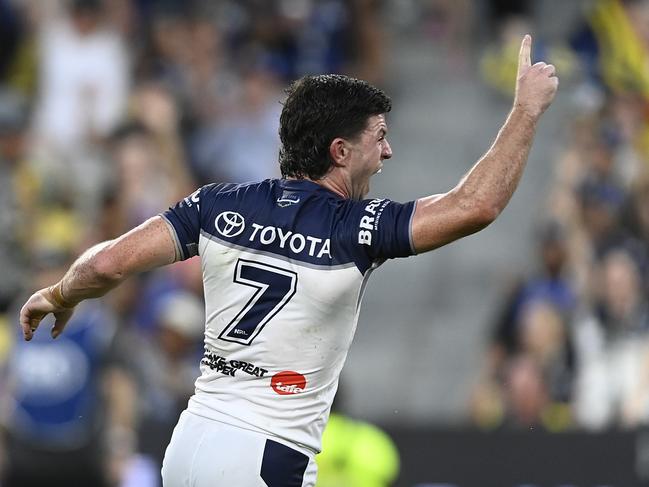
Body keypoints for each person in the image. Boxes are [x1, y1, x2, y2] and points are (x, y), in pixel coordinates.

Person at [19, 35, 557, 487]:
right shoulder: (356, 229)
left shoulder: (217, 203)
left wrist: (62, 294)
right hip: (266, 454)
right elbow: (476, 205)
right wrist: (526, 111)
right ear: (340, 152)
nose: (388, 153)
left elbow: (109, 263)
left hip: (187, 445)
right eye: (380, 138)